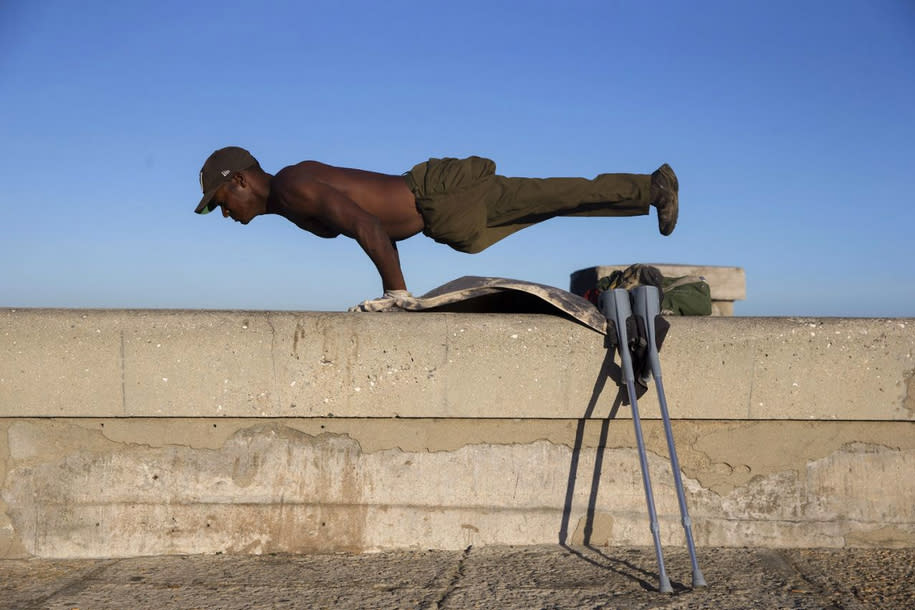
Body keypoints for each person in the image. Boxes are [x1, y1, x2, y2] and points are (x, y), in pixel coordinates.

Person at [194, 147, 679, 310]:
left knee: (548, 196)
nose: (225, 214)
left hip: (441, 195)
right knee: (550, 205)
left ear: (238, 180)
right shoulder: (287, 204)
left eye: (220, 203)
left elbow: (367, 225)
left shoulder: (292, 186)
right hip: (444, 219)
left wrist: (396, 294)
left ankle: (652, 186)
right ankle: (647, 193)